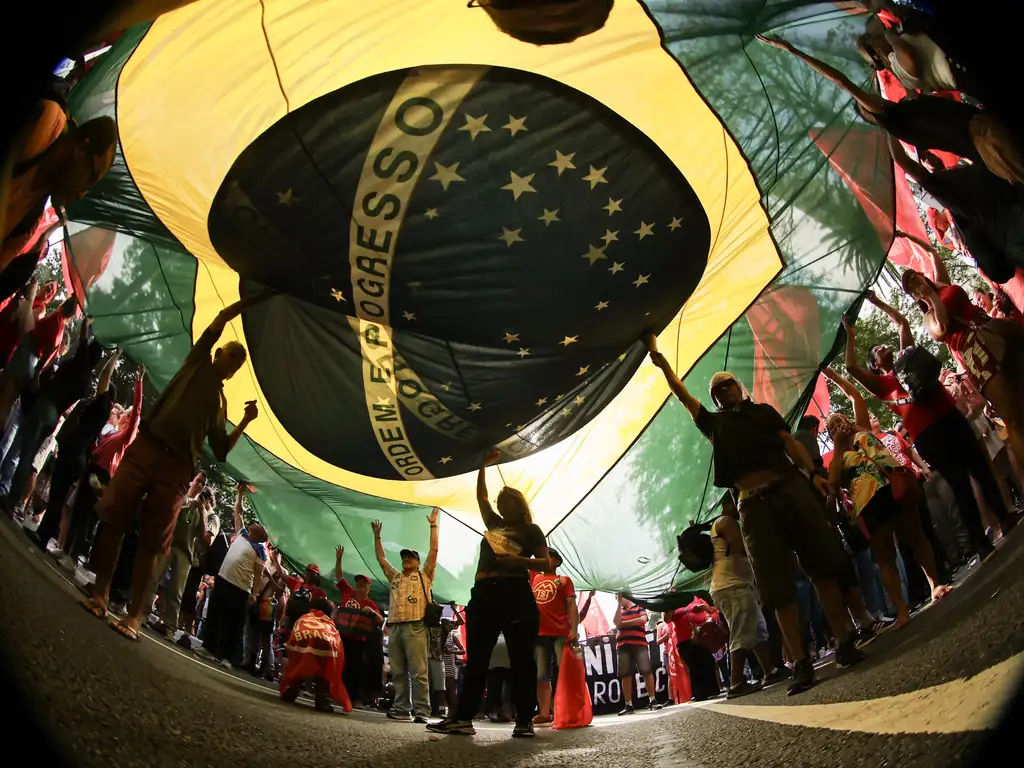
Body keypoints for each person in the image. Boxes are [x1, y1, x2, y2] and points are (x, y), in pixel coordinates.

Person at [645, 332, 863, 695]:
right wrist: (661, 360)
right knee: (777, 587)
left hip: (790, 487)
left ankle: (844, 641)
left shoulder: (763, 412)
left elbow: (789, 442)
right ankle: (801, 664)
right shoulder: (714, 424)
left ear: (738, 387)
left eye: (727, 385)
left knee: (821, 565)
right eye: (716, 392)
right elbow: (682, 395)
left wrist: (812, 474)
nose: (721, 392)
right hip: (752, 505)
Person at [80, 293, 268, 640]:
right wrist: (250, 302)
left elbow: (221, 450)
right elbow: (222, 318)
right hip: (147, 446)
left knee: (153, 542)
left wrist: (244, 420)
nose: (234, 363)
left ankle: (135, 616)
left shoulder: (222, 403)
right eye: (232, 356)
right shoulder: (197, 362)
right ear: (217, 353)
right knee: (114, 518)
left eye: (239, 363)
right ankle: (100, 593)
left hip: (178, 468)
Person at [846, 293, 1013, 560]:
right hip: (929, 435)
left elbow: (902, 323)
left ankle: (1005, 518)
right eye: (876, 352)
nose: (881, 349)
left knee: (980, 467)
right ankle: (981, 544)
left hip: (949, 415)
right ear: (876, 368)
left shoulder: (907, 358)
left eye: (880, 346)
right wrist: (850, 333)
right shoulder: (882, 387)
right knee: (960, 485)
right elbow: (850, 366)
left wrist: (876, 302)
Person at [756, 34, 1024, 184]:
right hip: (985, 139)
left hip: (984, 136)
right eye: (866, 104)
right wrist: (793, 51)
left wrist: (878, 64)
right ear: (873, 115)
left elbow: (902, 82)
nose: (870, 97)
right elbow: (843, 81)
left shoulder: (909, 109)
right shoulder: (895, 119)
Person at [428, 449, 548, 738]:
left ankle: (524, 721)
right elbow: (481, 498)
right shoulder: (494, 525)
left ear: (520, 505)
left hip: (515, 592)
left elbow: (546, 563)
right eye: (500, 501)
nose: (502, 504)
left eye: (509, 501)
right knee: (477, 657)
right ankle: (462, 718)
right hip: (483, 594)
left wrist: (520, 561)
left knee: (521, 659)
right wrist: (482, 466)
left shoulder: (531, 530)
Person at [824, 368, 951, 628]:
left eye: (840, 420)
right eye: (832, 426)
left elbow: (855, 394)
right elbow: (835, 484)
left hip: (895, 485)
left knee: (916, 536)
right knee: (885, 557)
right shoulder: (836, 457)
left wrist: (832, 376)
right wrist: (838, 448)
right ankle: (902, 611)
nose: (838, 425)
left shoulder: (861, 427)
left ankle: (935, 585)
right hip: (869, 505)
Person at [901, 266, 1024, 465]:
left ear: (922, 274)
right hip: (977, 354)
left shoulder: (944, 286)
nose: (916, 284)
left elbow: (933, 254)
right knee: (1014, 419)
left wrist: (910, 238)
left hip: (993, 331)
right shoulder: (929, 316)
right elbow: (941, 328)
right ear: (914, 297)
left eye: (915, 277)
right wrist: (930, 296)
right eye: (911, 287)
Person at [28, 346, 121, 556]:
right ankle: (43, 533)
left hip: (73, 454)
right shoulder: (99, 410)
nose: (99, 387)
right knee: (57, 495)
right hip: (76, 455)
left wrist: (116, 356)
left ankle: (43, 536)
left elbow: (106, 375)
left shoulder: (101, 406)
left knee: (58, 495)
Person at [2, 103, 116, 272]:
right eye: (90, 178)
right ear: (81, 148)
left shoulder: (28, 223)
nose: (81, 195)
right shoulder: (46, 121)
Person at [709, 493, 791, 698]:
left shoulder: (724, 523)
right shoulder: (725, 521)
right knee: (742, 630)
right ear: (728, 504)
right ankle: (736, 682)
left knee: (757, 628)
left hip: (736, 584)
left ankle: (769, 671)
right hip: (731, 584)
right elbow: (743, 547)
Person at [371, 507, 439, 724]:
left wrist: (433, 525)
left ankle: (422, 711)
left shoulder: (424, 575)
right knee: (398, 670)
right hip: (395, 626)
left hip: (416, 626)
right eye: (405, 558)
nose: (407, 560)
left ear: (418, 562)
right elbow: (382, 559)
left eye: (411, 558)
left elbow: (434, 551)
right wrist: (377, 537)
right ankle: (402, 708)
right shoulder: (396, 577)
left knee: (419, 671)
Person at [198, 485, 268, 666]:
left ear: (261, 534)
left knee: (234, 623)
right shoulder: (242, 534)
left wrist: (254, 594)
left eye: (258, 525)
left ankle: (228, 657)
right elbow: (238, 512)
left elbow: (259, 573)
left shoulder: (260, 550)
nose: (254, 523)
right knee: (214, 612)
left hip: (240, 587)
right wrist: (239, 492)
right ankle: (208, 647)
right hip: (223, 579)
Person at [154, 485, 213, 640]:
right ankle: (143, 613)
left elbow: (204, 537)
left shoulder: (205, 514)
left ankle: (170, 627)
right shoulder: (184, 498)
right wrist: (188, 506)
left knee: (176, 591)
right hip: (169, 544)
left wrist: (201, 511)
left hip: (186, 553)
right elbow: (171, 514)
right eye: (199, 483)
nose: (200, 496)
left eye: (204, 496)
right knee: (154, 579)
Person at [530, 547, 579, 727]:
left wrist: (574, 628)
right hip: (539, 634)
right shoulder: (534, 578)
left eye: (548, 557)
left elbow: (572, 606)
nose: (544, 560)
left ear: (557, 561)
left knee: (564, 673)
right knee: (541, 674)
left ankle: (567, 710)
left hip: (560, 633)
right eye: (542, 557)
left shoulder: (564, 581)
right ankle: (544, 713)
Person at [279, 596, 352, 714]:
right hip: (326, 643)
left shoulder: (304, 618)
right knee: (326, 665)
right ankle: (321, 698)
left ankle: (293, 689)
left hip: (303, 640)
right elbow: (338, 648)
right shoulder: (329, 623)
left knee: (299, 661)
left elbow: (293, 636)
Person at [334, 545, 383, 706]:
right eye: (359, 582)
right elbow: (339, 577)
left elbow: (380, 621)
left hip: (358, 640)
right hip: (342, 636)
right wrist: (339, 559)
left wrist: (372, 612)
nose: (360, 585)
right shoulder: (348, 592)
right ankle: (334, 693)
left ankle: (353, 698)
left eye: (364, 584)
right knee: (338, 665)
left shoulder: (370, 603)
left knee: (355, 669)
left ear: (369, 588)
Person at [614, 594, 662, 714]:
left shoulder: (639, 606)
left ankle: (652, 700)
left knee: (646, 671)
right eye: (616, 597)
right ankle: (628, 704)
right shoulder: (619, 609)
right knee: (625, 674)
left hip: (639, 643)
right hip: (622, 645)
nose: (617, 598)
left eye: (619, 596)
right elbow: (616, 622)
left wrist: (624, 623)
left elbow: (643, 620)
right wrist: (618, 604)